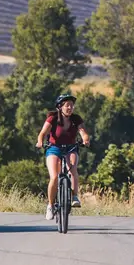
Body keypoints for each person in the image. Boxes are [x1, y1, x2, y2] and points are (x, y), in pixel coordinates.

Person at [36, 93, 91, 221]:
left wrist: (86, 140)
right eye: (67, 105)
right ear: (60, 107)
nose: (70, 108)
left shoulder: (76, 119)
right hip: (54, 148)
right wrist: (40, 142)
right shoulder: (53, 118)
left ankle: (75, 196)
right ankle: (50, 205)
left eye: (72, 105)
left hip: (71, 147)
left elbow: (83, 133)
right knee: (54, 177)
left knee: (72, 169)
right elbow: (42, 133)